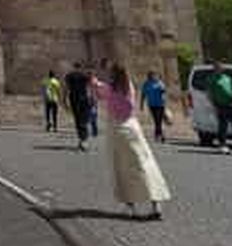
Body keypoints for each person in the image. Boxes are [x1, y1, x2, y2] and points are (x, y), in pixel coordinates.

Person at [94, 63, 171, 220]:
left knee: (120, 168)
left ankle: (130, 208)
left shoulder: (109, 88)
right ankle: (156, 204)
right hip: (132, 128)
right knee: (145, 164)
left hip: (116, 128)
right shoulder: (128, 86)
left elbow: (98, 92)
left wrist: (94, 79)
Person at [64, 61, 91, 150]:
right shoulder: (84, 76)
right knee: (83, 120)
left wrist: (65, 100)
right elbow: (89, 88)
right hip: (84, 99)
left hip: (74, 100)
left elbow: (66, 88)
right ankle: (84, 140)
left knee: (78, 120)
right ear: (80, 67)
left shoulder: (69, 76)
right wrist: (92, 100)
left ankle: (82, 140)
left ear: (74, 67)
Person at [140, 70, 167, 142]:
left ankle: (159, 135)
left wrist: (163, 99)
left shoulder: (159, 83)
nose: (151, 76)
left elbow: (163, 92)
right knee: (156, 120)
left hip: (160, 104)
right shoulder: (146, 84)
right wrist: (141, 104)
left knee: (159, 120)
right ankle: (160, 135)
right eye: (149, 75)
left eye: (152, 75)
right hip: (152, 105)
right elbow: (143, 94)